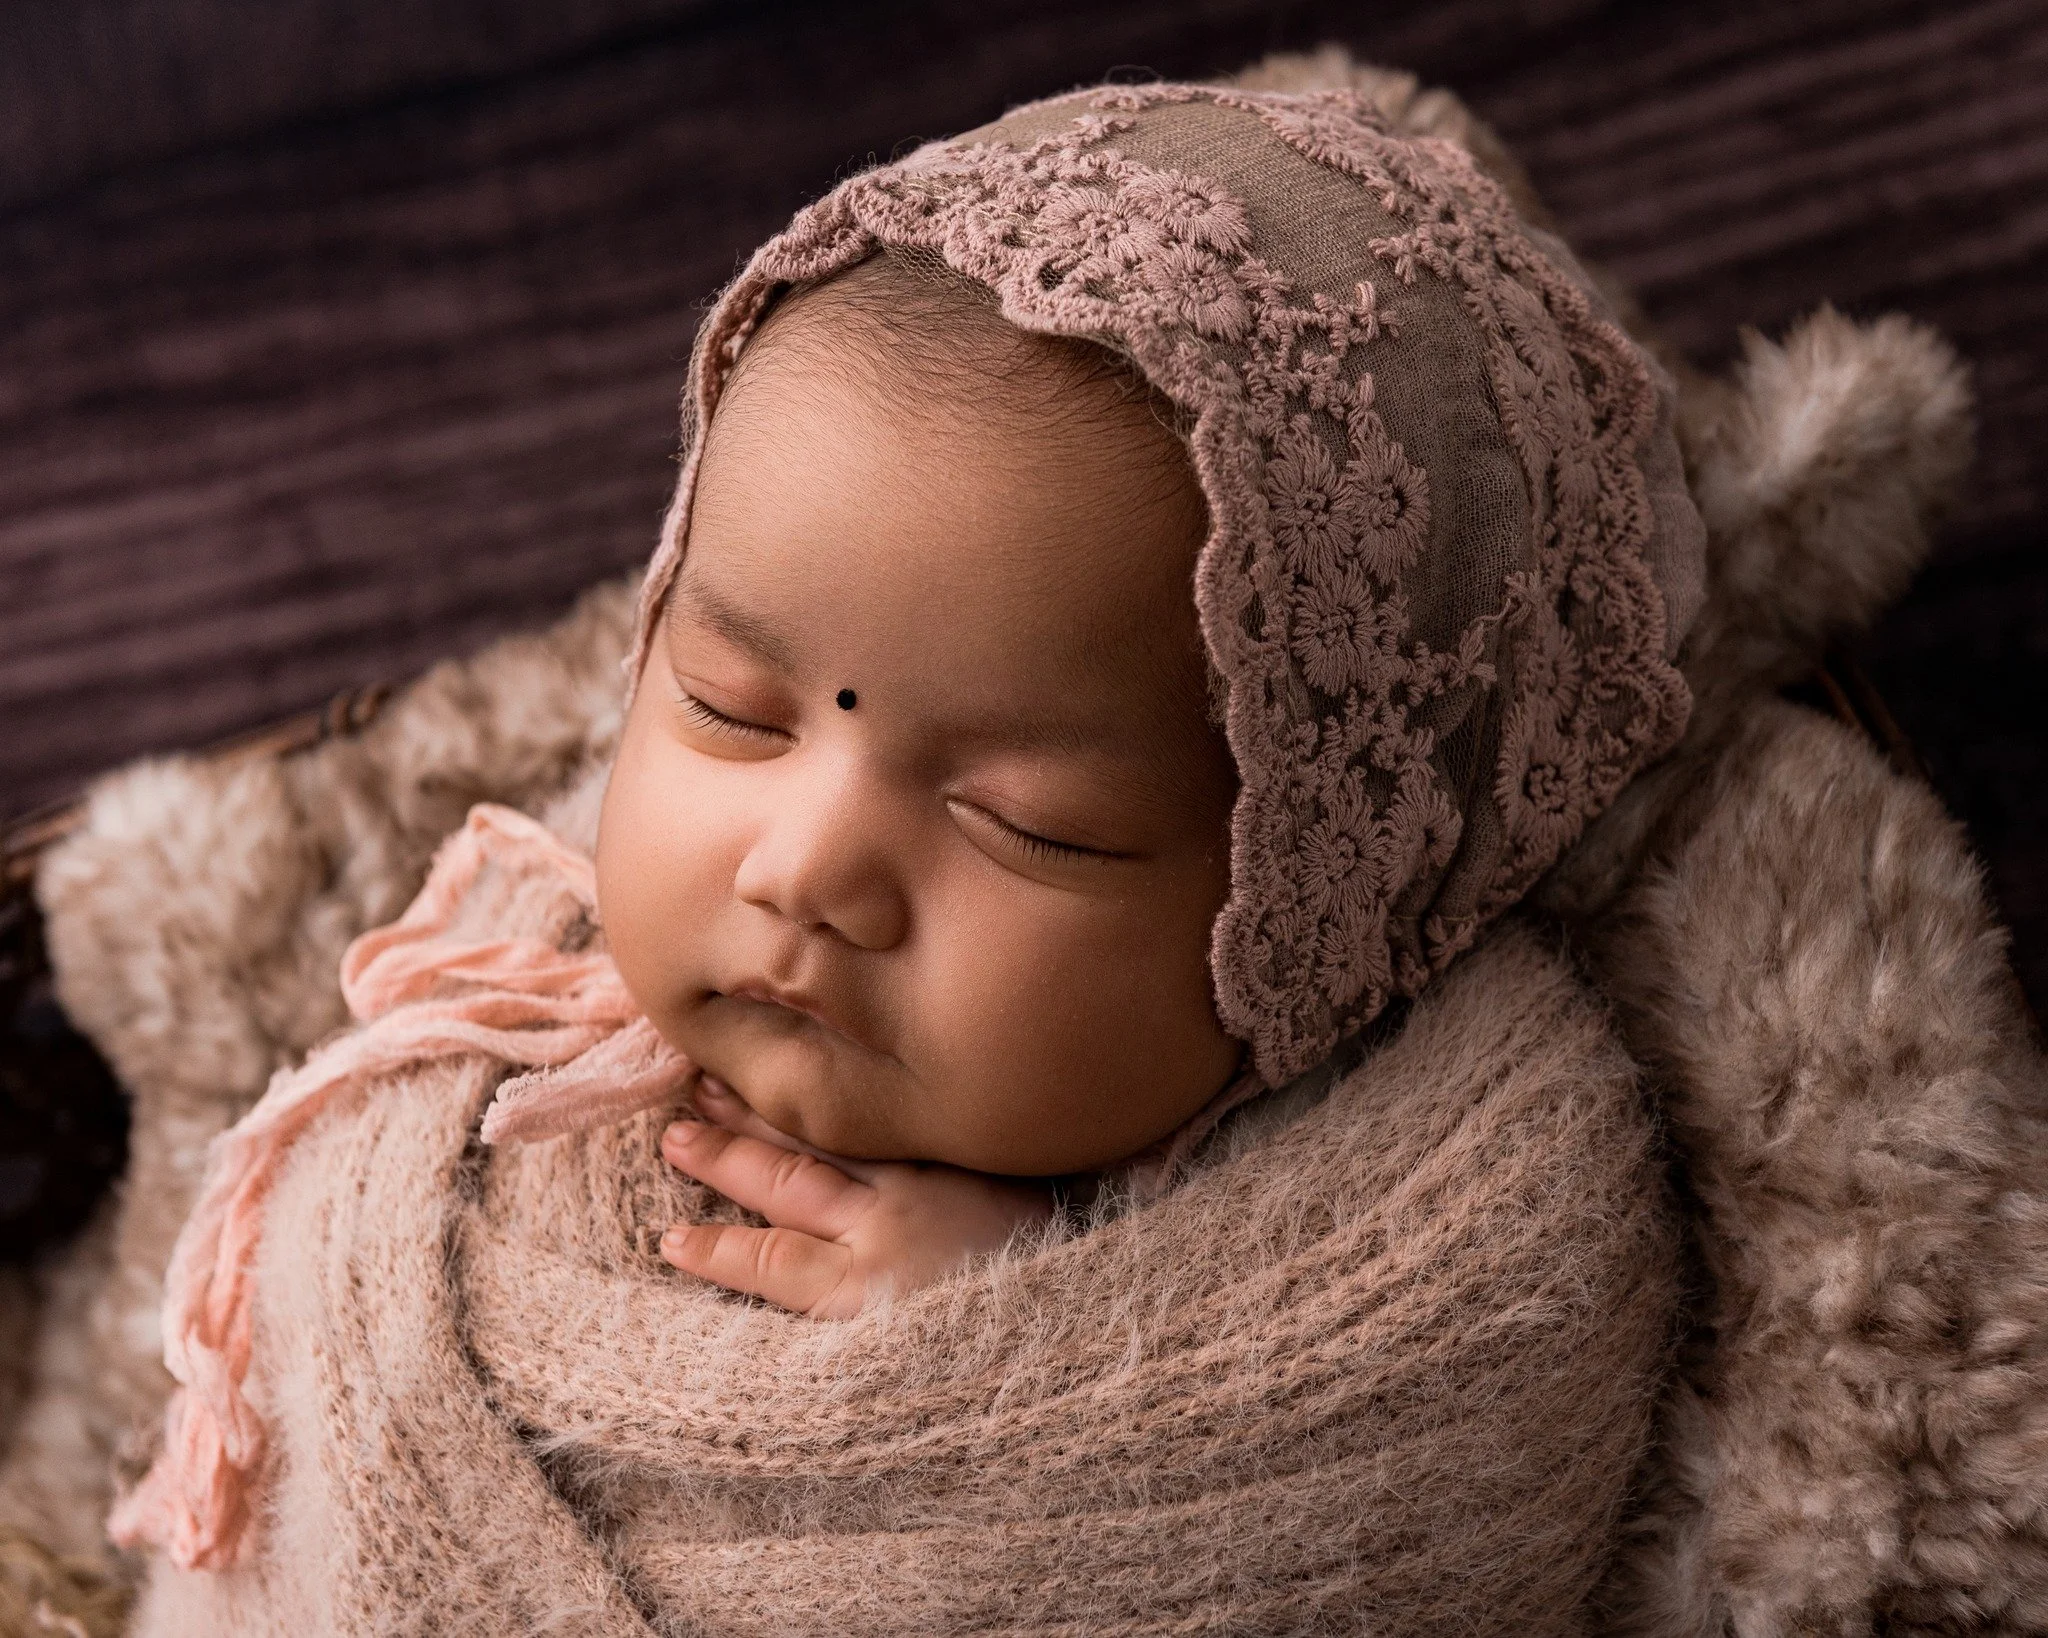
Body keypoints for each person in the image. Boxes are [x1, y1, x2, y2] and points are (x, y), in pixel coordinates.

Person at [112, 77, 1699, 1630]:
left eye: (1030, 825)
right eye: (733, 711)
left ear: (1318, 916)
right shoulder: (492, 1006)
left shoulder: (1449, 1227)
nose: (803, 870)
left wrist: (1037, 1339)